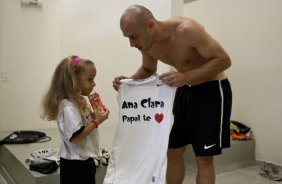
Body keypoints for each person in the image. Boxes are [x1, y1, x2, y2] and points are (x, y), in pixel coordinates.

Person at [113, 5, 232, 184]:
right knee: (172, 150)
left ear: (150, 25)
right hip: (183, 90)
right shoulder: (147, 44)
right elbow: (147, 69)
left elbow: (224, 60)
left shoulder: (187, 30)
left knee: (203, 158)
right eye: (128, 38)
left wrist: (187, 76)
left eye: (133, 36)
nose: (132, 43)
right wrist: (129, 81)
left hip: (212, 90)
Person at [41, 55, 109, 184]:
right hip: (75, 166)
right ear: (74, 80)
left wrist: (95, 116)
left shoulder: (78, 102)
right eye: (90, 79)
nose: (94, 84)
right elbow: (76, 136)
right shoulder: (69, 107)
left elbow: (83, 125)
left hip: (83, 163)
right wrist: (97, 121)